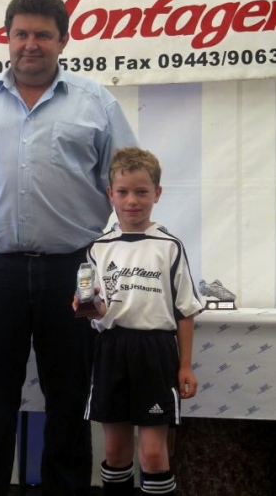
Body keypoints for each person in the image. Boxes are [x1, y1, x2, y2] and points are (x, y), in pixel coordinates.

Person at [0, 0, 137, 496]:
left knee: (70, 399)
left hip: (75, 271)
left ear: (63, 40)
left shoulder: (97, 103)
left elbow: (126, 185)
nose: (30, 44)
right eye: (21, 34)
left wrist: (130, 263)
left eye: (42, 35)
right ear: (7, 37)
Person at [74, 147, 202, 495]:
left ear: (157, 194)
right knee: (115, 450)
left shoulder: (169, 246)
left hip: (155, 351)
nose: (132, 200)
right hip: (111, 349)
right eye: (123, 192)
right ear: (110, 194)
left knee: (153, 453)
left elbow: (185, 310)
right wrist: (88, 305)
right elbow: (98, 309)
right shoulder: (98, 248)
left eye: (142, 191)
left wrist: (185, 366)